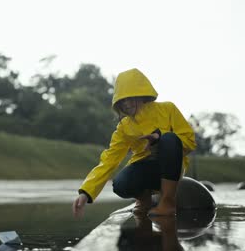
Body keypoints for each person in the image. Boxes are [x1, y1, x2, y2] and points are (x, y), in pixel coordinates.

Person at [72, 68, 196, 217]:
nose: (126, 103)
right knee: (120, 184)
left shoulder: (168, 109)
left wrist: (159, 139)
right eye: (122, 100)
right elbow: (108, 160)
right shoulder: (123, 127)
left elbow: (189, 141)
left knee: (169, 138)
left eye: (130, 98)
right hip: (145, 169)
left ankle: (167, 202)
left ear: (141, 93)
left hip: (172, 168)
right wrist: (85, 192)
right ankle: (144, 200)